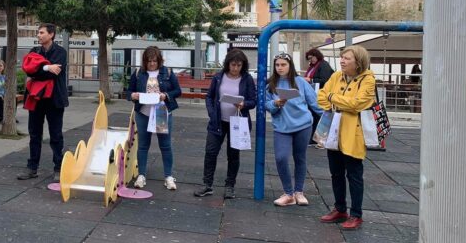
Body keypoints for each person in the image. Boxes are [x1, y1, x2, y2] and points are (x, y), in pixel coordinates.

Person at [317, 45, 375, 231]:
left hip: (353, 134)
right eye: (342, 57)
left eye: (347, 58)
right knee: (336, 173)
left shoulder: (368, 80)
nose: (342, 61)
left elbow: (358, 104)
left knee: (354, 175)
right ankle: (340, 209)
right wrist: (338, 101)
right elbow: (321, 97)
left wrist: (333, 98)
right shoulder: (336, 76)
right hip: (334, 131)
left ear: (358, 62)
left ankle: (356, 214)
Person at [194, 49, 256, 199]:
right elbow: (209, 97)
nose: (235, 68)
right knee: (211, 152)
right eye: (233, 65)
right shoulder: (218, 77)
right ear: (227, 64)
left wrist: (244, 104)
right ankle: (207, 184)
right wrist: (211, 112)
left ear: (243, 65)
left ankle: (230, 186)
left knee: (233, 155)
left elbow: (253, 101)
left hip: (237, 122)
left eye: (239, 65)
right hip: (218, 121)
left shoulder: (247, 79)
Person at [265, 53, 323, 206]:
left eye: (283, 64)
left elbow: (314, 103)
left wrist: (329, 120)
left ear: (290, 66)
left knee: (300, 157)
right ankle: (288, 193)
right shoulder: (270, 85)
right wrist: (276, 104)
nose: (280, 68)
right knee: (281, 158)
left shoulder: (301, 82)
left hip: (303, 125)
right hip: (282, 127)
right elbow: (267, 105)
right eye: (277, 65)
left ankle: (299, 191)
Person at [17, 23, 68, 181]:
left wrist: (40, 69)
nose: (38, 35)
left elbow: (54, 73)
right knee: (34, 134)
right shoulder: (34, 51)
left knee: (56, 135)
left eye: (41, 32)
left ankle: (58, 168)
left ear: (51, 34)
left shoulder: (61, 52)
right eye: (38, 33)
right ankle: (32, 168)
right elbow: (28, 69)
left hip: (54, 100)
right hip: (36, 98)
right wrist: (47, 68)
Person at [127, 46, 182, 190]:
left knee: (165, 145)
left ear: (159, 61)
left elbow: (178, 91)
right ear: (145, 61)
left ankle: (168, 176)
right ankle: (141, 175)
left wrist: (166, 95)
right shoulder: (138, 73)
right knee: (143, 145)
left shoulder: (167, 72)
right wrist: (133, 95)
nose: (152, 64)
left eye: (154, 61)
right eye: (149, 61)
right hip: (143, 113)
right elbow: (129, 91)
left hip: (161, 112)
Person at [305, 48, 334, 144]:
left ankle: (316, 138)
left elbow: (325, 79)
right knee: (314, 115)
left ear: (316, 56)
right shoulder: (314, 66)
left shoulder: (323, 65)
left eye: (311, 58)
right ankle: (314, 137)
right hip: (314, 94)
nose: (310, 60)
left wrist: (311, 80)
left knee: (317, 116)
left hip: (320, 94)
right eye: (309, 59)